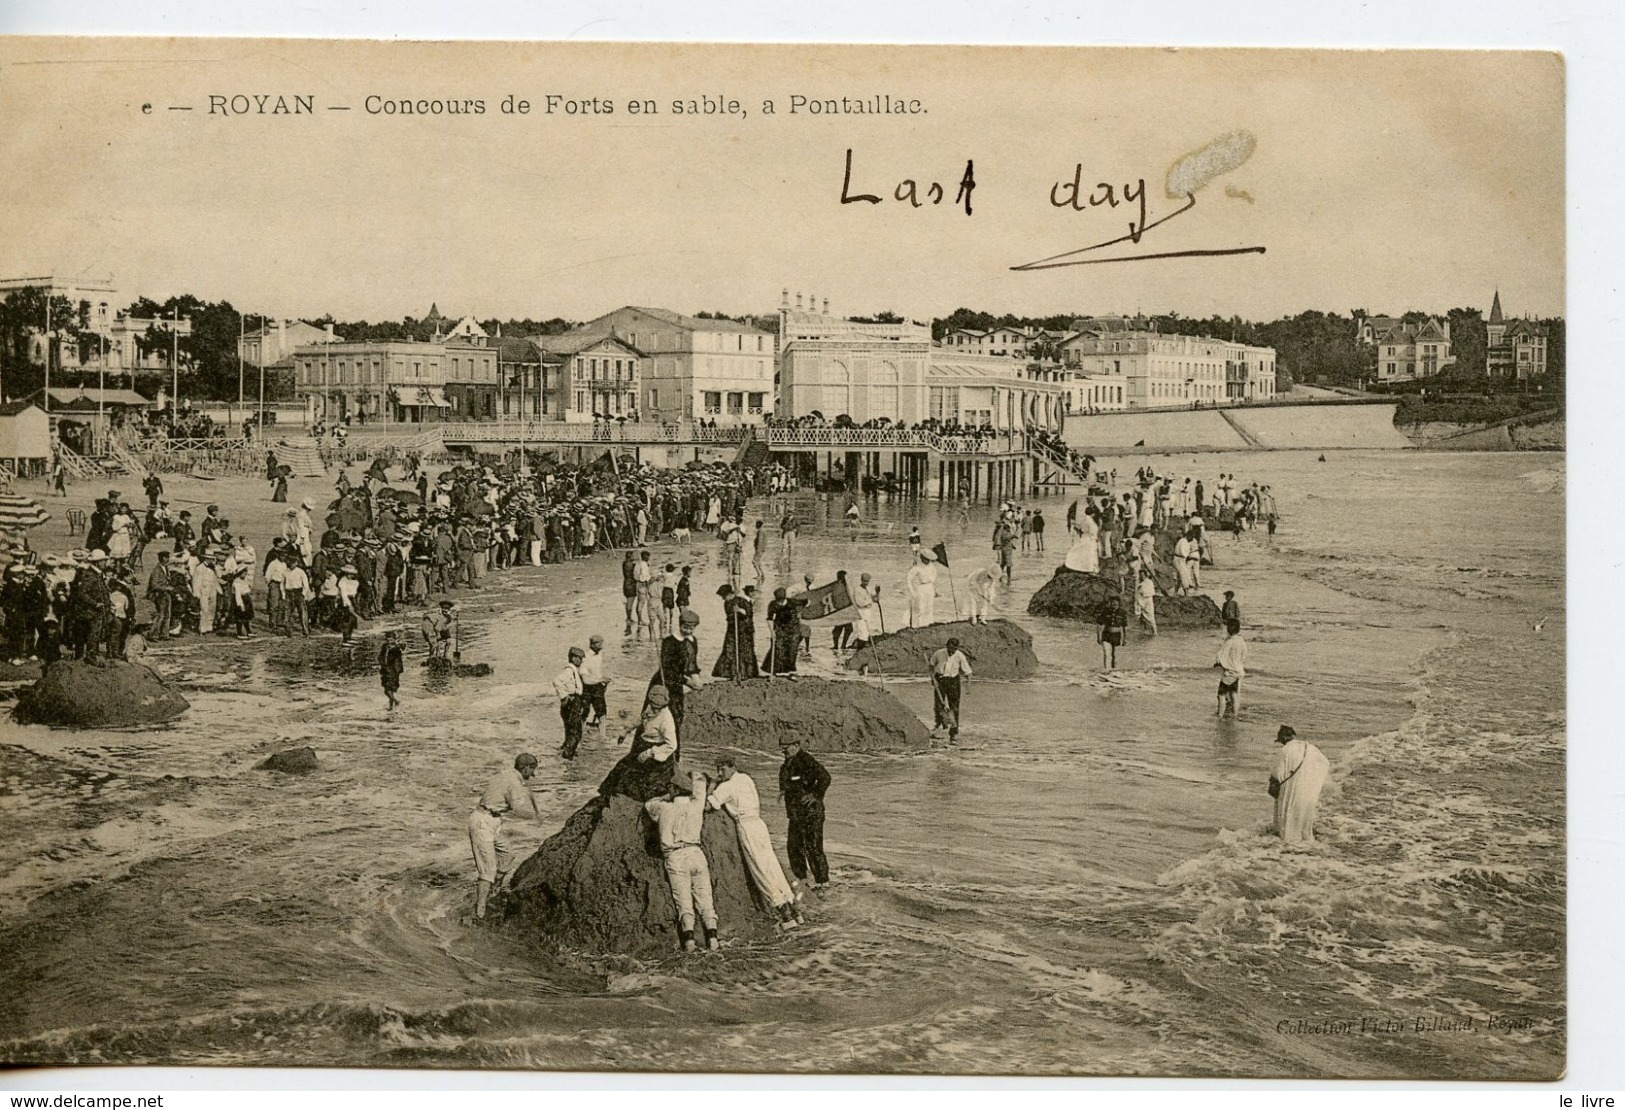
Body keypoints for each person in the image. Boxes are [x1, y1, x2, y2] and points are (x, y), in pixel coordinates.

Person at [708, 756, 803, 931]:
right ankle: (795, 910)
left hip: (747, 826)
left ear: (732, 767)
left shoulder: (726, 786)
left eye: (723, 769)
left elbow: (709, 805)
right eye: (718, 770)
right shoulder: (745, 778)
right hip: (759, 825)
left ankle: (785, 915)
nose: (720, 773)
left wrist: (712, 785)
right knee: (771, 864)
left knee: (760, 869)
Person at [645, 772, 721, 951]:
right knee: (706, 900)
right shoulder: (696, 805)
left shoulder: (663, 808)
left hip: (676, 856)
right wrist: (693, 777)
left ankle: (689, 942)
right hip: (696, 853)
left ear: (673, 789)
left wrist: (666, 796)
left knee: (684, 903)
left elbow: (648, 805)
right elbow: (700, 781)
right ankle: (713, 940)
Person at [467, 753, 543, 921]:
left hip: (493, 821)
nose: (532, 775)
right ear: (525, 768)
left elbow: (523, 792)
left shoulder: (507, 773)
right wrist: (534, 817)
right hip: (483, 822)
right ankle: (479, 911)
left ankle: (493, 891)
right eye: (532, 771)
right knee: (488, 870)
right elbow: (516, 809)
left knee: (507, 856)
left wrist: (534, 808)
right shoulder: (513, 783)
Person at [599, 685, 680, 801]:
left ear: (664, 705)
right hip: (642, 746)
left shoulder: (666, 719)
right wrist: (625, 731)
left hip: (656, 752)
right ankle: (608, 797)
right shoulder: (650, 708)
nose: (655, 710)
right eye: (653, 706)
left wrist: (649, 753)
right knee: (620, 769)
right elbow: (642, 719)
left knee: (638, 780)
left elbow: (672, 745)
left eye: (658, 708)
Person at [779, 738, 831, 890]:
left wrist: (814, 795)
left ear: (796, 746)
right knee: (794, 848)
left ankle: (823, 883)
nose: (783, 750)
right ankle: (802, 881)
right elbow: (790, 781)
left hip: (811, 813)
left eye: (786, 747)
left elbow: (825, 778)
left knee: (813, 848)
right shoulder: (788, 763)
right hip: (796, 815)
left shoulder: (806, 760)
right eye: (782, 747)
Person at [1269, 725, 1331, 844]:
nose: (1282, 743)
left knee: (1288, 819)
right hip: (1308, 789)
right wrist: (1313, 781)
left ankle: (1287, 843)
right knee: (1305, 818)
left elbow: (1277, 775)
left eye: (1281, 740)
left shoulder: (1285, 750)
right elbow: (1325, 763)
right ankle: (1305, 840)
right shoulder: (1311, 747)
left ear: (1285, 737)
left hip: (1292, 789)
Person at [928, 636, 973, 743]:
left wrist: (968, 686)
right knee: (939, 706)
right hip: (940, 680)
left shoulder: (959, 655)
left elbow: (968, 672)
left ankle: (953, 733)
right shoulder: (939, 653)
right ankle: (939, 727)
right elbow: (931, 665)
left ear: (956, 648)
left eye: (953, 649)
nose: (951, 651)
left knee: (954, 708)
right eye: (949, 648)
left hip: (953, 682)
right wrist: (932, 678)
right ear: (947, 646)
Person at [712, 583, 760, 679]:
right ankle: (732, 673)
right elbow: (729, 616)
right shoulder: (726, 603)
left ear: (730, 594)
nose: (723, 598)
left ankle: (745, 674)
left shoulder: (742, 601)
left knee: (745, 651)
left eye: (724, 596)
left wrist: (739, 611)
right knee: (730, 650)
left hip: (744, 631)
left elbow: (749, 614)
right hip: (732, 630)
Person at [553, 646, 589, 759]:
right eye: (579, 658)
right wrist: (564, 696)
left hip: (572, 702)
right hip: (572, 702)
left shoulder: (573, 670)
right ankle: (568, 755)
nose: (581, 661)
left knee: (570, 729)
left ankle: (567, 751)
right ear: (573, 658)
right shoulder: (569, 670)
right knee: (576, 731)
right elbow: (557, 681)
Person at [763, 586, 802, 675]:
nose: (779, 603)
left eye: (780, 601)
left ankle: (792, 671)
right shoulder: (772, 604)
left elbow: (807, 602)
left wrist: (800, 614)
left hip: (793, 629)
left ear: (784, 598)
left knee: (792, 650)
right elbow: (769, 619)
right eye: (777, 600)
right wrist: (772, 632)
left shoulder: (793, 602)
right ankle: (775, 670)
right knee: (778, 648)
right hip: (780, 628)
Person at [1215, 619, 1247, 718]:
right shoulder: (1241, 641)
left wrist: (1219, 663)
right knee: (1234, 694)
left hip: (1229, 673)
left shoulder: (1229, 642)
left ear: (1229, 629)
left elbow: (1220, 655)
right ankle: (1235, 715)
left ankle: (1220, 715)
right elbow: (1244, 655)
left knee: (1221, 695)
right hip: (1238, 671)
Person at [580, 634, 610, 727]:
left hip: (597, 687)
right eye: (598, 643)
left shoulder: (599, 654)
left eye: (602, 643)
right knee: (584, 713)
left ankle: (603, 736)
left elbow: (597, 672)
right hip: (586, 688)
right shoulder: (585, 658)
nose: (601, 645)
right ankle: (582, 734)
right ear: (592, 645)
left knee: (602, 713)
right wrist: (600, 680)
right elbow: (585, 680)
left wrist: (602, 681)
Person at [144, 551, 174, 642]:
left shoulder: (165, 568)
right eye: (165, 557)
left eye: (167, 557)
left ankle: (164, 634)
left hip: (165, 594)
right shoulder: (156, 570)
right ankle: (153, 635)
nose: (167, 559)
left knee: (167, 615)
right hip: (159, 594)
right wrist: (166, 588)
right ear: (161, 558)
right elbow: (154, 585)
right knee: (160, 615)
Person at [905, 550, 938, 628]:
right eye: (925, 559)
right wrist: (912, 591)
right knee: (920, 608)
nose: (926, 561)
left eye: (928, 559)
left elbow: (934, 580)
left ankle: (929, 624)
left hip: (930, 587)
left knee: (929, 607)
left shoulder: (932, 567)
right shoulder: (917, 567)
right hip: (921, 587)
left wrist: (935, 590)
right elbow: (909, 579)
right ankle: (919, 626)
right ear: (922, 558)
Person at [1098, 591, 1127, 671]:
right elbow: (1099, 624)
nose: (1113, 604)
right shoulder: (1105, 611)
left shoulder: (1122, 613)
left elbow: (1124, 627)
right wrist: (1098, 637)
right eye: (1111, 602)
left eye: (1115, 602)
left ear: (1118, 603)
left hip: (1117, 636)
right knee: (1107, 654)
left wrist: (1124, 639)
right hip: (1106, 635)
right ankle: (1107, 671)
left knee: (1115, 656)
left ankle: (1114, 672)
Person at [850, 572, 877, 649]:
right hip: (861, 611)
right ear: (861, 580)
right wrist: (869, 601)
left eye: (867, 581)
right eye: (864, 581)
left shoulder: (869, 588)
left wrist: (877, 592)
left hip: (868, 611)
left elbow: (875, 599)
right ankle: (861, 646)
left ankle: (863, 645)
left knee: (869, 628)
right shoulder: (857, 590)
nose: (866, 583)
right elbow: (860, 603)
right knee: (862, 630)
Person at [379, 630, 405, 709]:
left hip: (393, 670)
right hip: (385, 669)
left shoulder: (397, 649)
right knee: (386, 688)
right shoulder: (384, 647)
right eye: (387, 640)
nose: (389, 641)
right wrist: (382, 664)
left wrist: (398, 645)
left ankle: (394, 701)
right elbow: (380, 656)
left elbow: (397, 660)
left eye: (391, 640)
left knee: (389, 688)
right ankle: (393, 703)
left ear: (394, 639)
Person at [1134, 568, 1158, 635]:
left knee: (1150, 616)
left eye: (1143, 575)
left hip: (1148, 601)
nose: (1142, 576)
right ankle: (1145, 630)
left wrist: (1143, 591)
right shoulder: (1139, 582)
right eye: (1140, 575)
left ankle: (1155, 632)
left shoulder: (1149, 582)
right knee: (1142, 616)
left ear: (1145, 575)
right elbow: (1137, 592)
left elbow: (1151, 592)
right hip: (1141, 600)